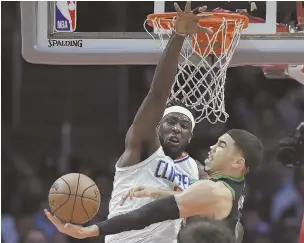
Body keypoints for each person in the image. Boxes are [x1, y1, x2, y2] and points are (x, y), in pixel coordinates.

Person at [45, 2, 212, 243]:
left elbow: (208, 215)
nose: (176, 128)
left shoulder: (197, 171)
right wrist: (179, 35)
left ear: (191, 137)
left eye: (184, 125)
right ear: (157, 126)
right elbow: (157, 95)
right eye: (170, 122)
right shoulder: (141, 148)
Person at [45, 129, 263, 243]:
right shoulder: (234, 186)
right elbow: (199, 201)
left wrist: (90, 230)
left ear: (238, 163)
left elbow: (147, 215)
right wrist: (156, 191)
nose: (212, 147)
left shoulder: (212, 190)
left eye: (221, 145)